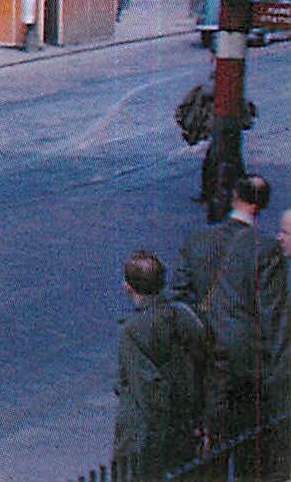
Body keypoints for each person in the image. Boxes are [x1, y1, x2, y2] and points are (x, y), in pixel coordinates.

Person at [169, 174, 289, 459]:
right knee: (249, 452)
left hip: (204, 360)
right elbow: (274, 318)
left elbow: (177, 298)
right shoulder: (266, 249)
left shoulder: (197, 240)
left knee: (211, 453)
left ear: (234, 197)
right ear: (262, 205)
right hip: (246, 367)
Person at [115, 249, 208, 475]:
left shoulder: (132, 330)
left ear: (128, 286)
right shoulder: (184, 317)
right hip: (183, 428)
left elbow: (147, 388)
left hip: (145, 436)